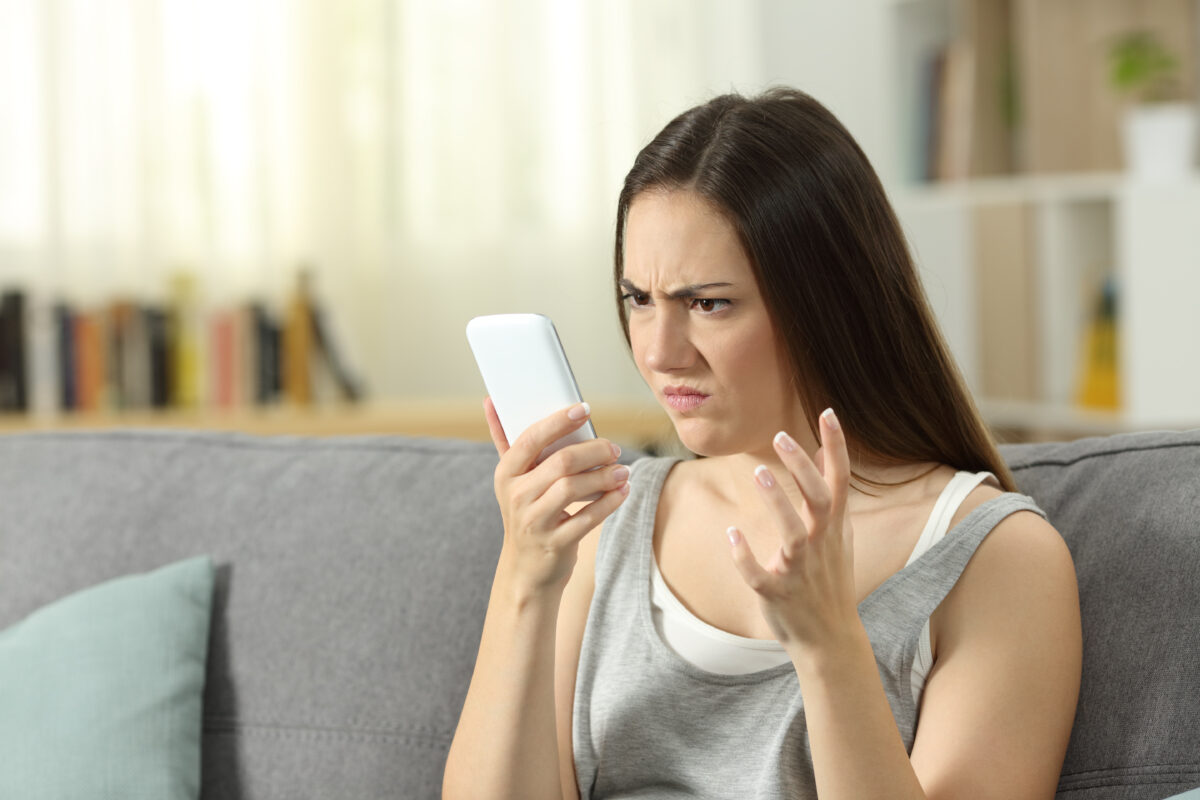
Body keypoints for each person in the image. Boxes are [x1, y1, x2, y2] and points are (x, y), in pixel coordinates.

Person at [443, 88, 1082, 800]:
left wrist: (827, 641)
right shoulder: (611, 523)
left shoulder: (997, 560)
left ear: (829, 301)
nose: (659, 353)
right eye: (639, 299)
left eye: (707, 303)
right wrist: (524, 581)